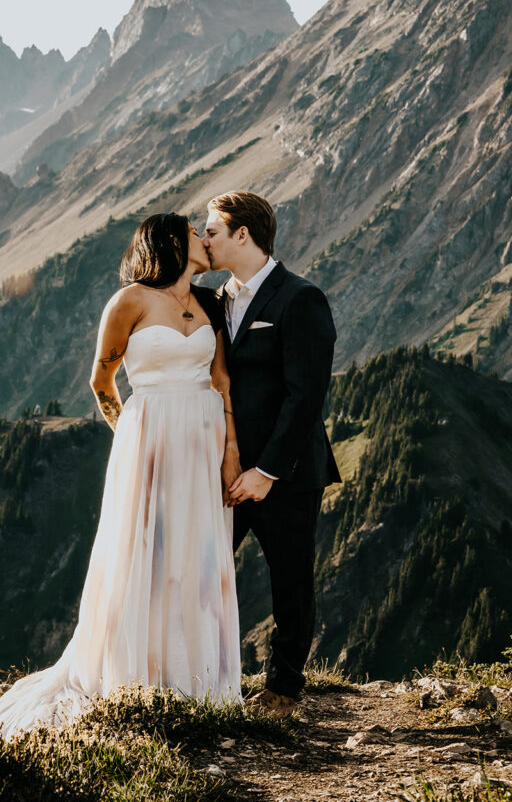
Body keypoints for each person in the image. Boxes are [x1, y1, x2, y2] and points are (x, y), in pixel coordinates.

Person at [0, 213, 242, 741]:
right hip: (151, 437)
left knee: (198, 556)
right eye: (193, 234)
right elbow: (102, 381)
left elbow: (222, 380)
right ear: (170, 243)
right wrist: (132, 436)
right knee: (146, 553)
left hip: (204, 440)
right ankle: (141, 677)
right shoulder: (130, 301)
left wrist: (231, 450)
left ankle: (200, 680)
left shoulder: (209, 304)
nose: (204, 241)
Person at [203, 190, 341, 718]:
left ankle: (283, 688)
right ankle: (206, 677)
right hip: (226, 471)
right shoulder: (214, 300)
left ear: (243, 234)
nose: (205, 239)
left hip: (285, 472)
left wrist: (267, 471)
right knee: (204, 573)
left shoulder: (300, 298)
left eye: (212, 230)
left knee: (290, 581)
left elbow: (306, 394)